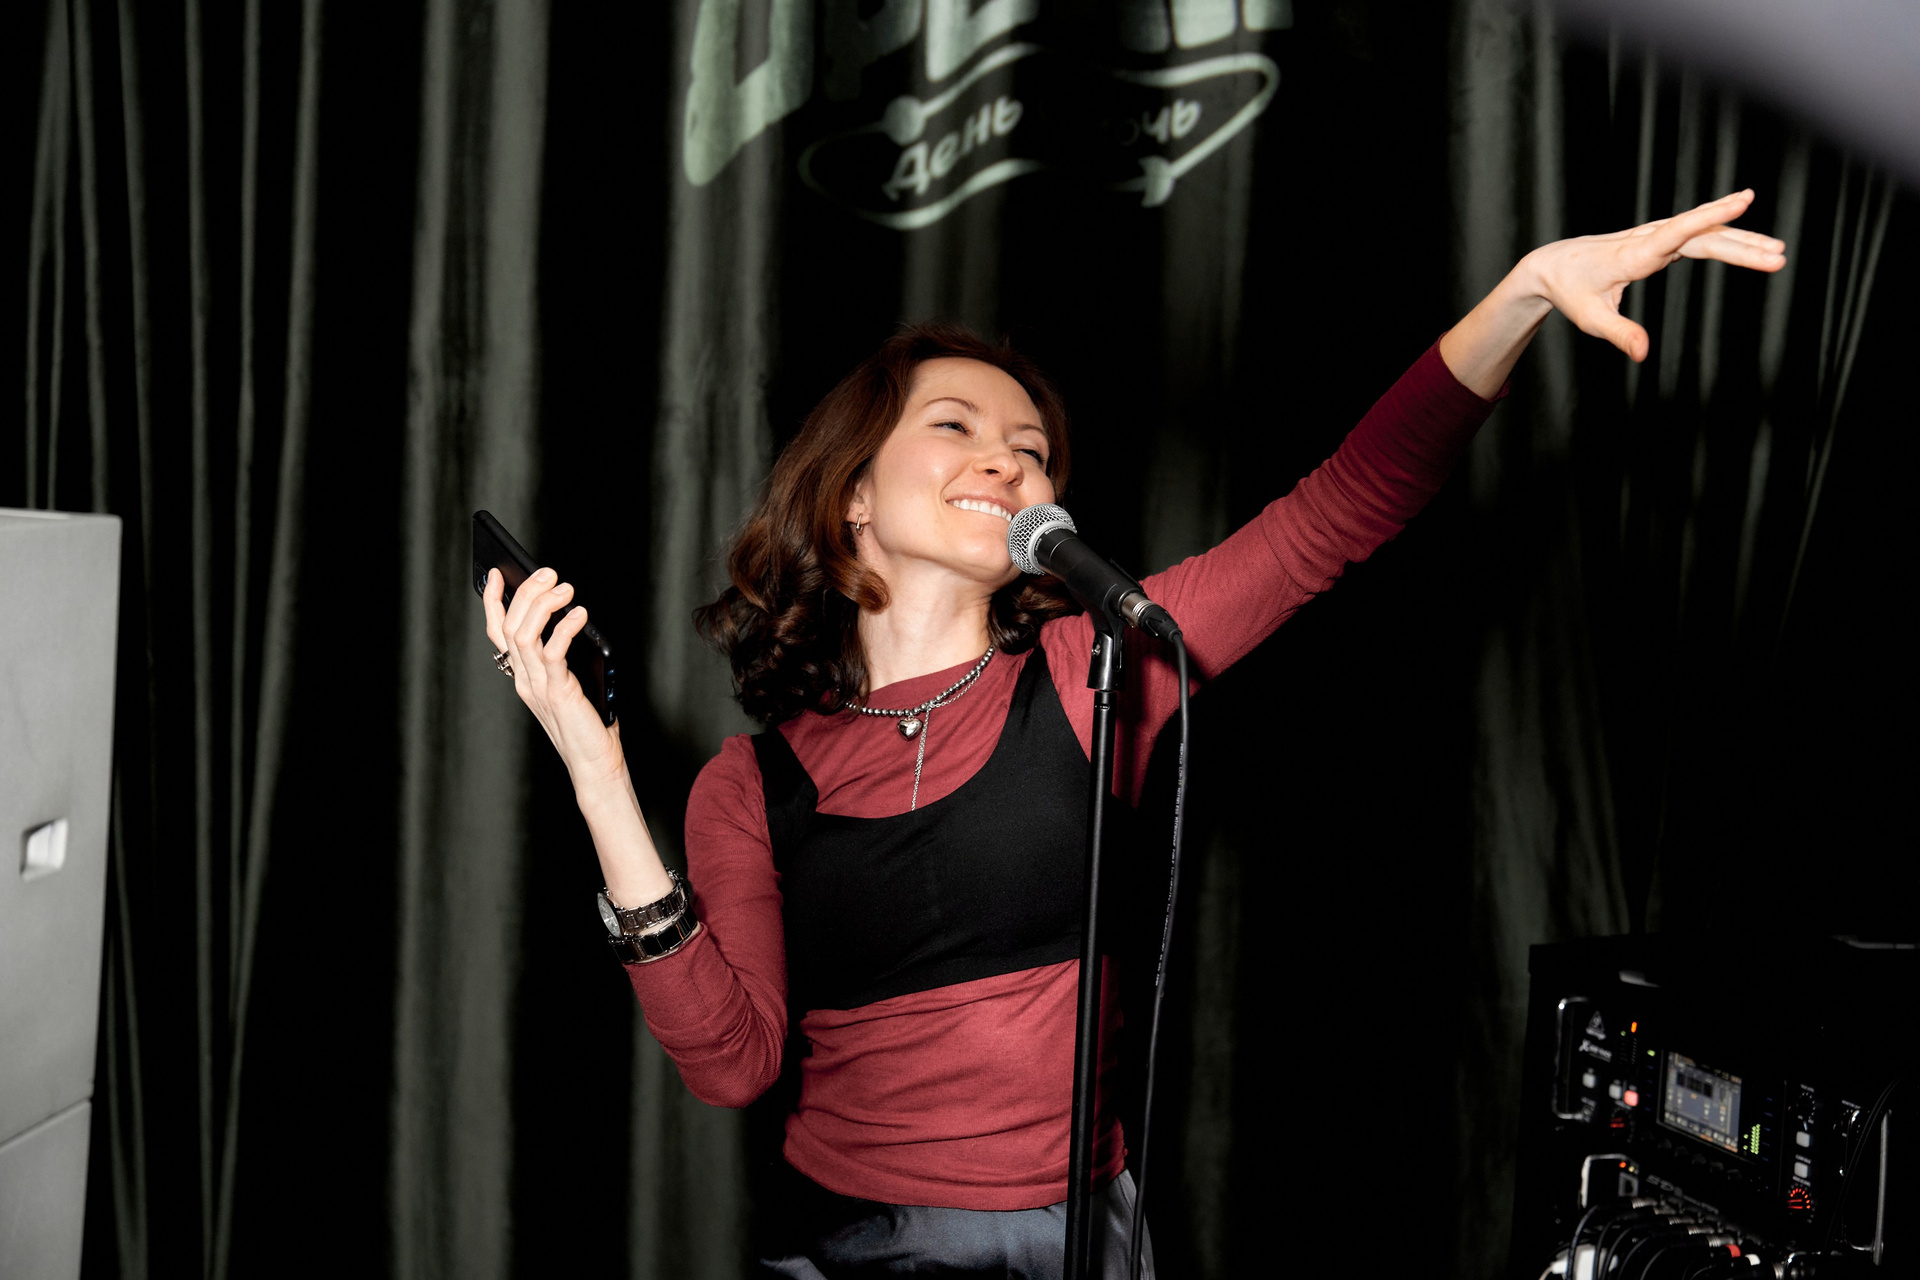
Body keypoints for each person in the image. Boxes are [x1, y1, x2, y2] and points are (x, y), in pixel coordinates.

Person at [480, 190, 1785, 1277]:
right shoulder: (750, 783)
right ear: (852, 495)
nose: (1010, 460)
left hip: (1068, 1248)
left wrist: (1521, 296)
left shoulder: (1098, 668)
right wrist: (597, 769)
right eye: (955, 427)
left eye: (1033, 449)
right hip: (844, 1249)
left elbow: (1340, 510)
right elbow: (731, 1064)